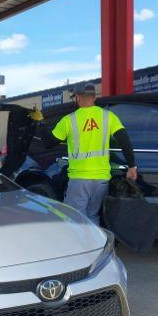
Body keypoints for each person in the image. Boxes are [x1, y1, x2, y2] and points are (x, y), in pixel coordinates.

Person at [31, 83, 137, 225]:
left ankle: (82, 246)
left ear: (78, 97)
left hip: (79, 179)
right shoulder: (108, 117)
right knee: (93, 216)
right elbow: (124, 140)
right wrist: (131, 166)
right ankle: (96, 244)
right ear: (94, 97)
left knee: (76, 219)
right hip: (101, 179)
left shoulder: (69, 120)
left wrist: (41, 123)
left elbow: (49, 143)